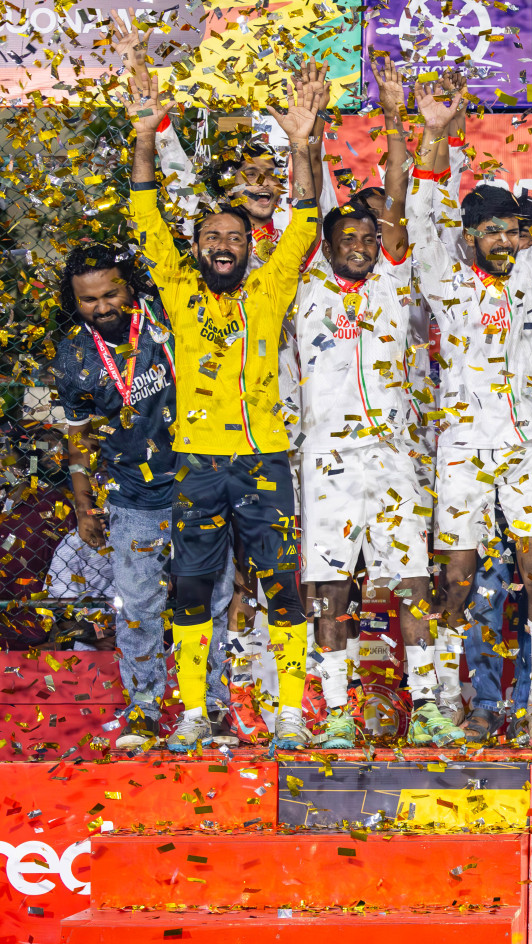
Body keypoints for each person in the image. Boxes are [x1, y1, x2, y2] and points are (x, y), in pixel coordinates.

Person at [124, 60, 321, 752]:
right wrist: (145, 134)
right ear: (199, 246)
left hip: (265, 458)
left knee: (283, 589)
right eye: (212, 237)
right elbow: (146, 212)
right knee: (191, 589)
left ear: (247, 249)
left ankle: (291, 715)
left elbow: (301, 223)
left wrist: (302, 143)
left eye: (235, 238)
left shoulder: (270, 292)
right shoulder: (177, 289)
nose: (223, 246)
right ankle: (192, 714)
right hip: (198, 462)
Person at [408, 71, 532, 747]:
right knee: (456, 583)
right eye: (494, 234)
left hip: (529, 453)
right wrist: (432, 130)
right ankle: (451, 702)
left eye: (514, 231)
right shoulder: (445, 282)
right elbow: (422, 216)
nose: (507, 242)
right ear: (472, 236)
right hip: (461, 455)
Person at [294, 57, 435, 749]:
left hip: (395, 454)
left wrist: (395, 119)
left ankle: (432, 701)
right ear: (325, 245)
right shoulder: (309, 284)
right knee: (328, 587)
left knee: (411, 579)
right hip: (327, 458)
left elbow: (401, 198)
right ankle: (339, 711)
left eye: (368, 238)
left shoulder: (394, 284)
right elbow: (310, 193)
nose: (359, 245)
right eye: (346, 238)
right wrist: (308, 131)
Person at [49, 243, 235, 749]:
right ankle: (145, 708)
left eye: (111, 293)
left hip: (200, 485)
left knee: (211, 600)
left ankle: (212, 704)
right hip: (133, 498)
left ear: (129, 286)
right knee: (138, 608)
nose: (103, 307)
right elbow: (79, 436)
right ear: (74, 299)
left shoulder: (168, 317)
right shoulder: (73, 357)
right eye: (89, 300)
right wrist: (84, 503)